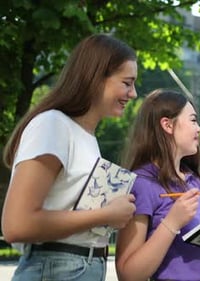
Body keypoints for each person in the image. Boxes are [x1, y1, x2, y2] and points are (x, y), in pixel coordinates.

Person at [1, 33, 137, 280]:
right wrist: (105, 215)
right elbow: (16, 224)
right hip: (56, 268)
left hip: (79, 267)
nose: (133, 93)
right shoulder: (52, 125)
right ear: (96, 78)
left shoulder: (86, 137)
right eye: (127, 83)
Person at [115, 89, 200, 281]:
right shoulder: (141, 183)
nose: (199, 129)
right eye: (192, 120)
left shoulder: (193, 180)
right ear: (167, 125)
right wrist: (171, 223)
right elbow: (128, 274)